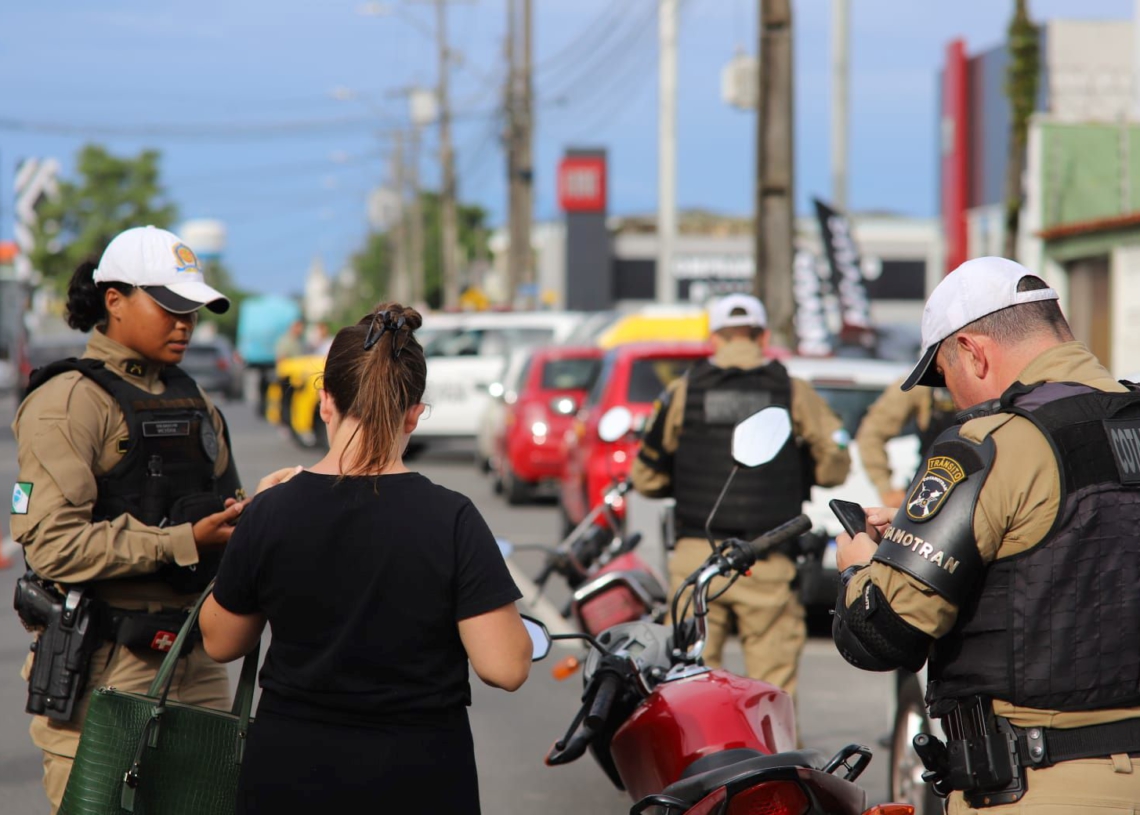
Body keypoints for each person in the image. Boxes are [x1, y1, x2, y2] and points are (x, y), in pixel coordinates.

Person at [832, 256, 1140, 813]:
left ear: (974, 351)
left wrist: (860, 567)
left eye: (944, 374)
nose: (950, 396)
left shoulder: (988, 446)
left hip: (1041, 785)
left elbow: (881, 634)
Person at [199, 303, 532, 815]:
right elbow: (506, 667)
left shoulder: (271, 510)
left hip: (289, 772)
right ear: (415, 413)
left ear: (325, 400)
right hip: (419, 775)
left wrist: (254, 520)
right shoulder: (453, 518)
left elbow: (222, 641)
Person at [10, 226, 254, 813]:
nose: (185, 322)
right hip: (105, 672)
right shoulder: (69, 400)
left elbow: (227, 508)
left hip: (195, 662)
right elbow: (52, 547)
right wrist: (180, 542)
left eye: (192, 309)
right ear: (113, 300)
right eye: (169, 305)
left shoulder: (195, 399)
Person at [631, 293, 851, 694]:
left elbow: (646, 477)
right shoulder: (792, 391)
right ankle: (771, 758)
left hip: (698, 562)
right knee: (771, 692)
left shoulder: (683, 391)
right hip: (768, 557)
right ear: (763, 335)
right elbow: (835, 465)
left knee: (689, 688)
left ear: (714, 338)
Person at [855, 379, 958, 506]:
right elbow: (871, 434)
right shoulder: (921, 384)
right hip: (931, 490)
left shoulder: (985, 375)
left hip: (978, 488)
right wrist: (886, 489)